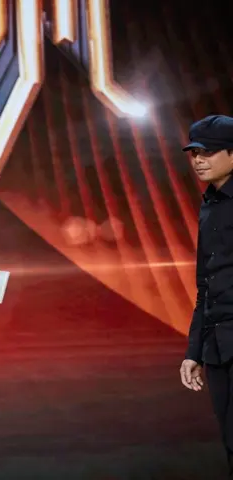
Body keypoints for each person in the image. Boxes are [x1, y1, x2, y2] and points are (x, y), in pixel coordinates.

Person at [179, 114, 233, 476]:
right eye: (195, 152)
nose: (198, 160)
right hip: (218, 345)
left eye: (208, 152)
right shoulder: (210, 205)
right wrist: (194, 351)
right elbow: (206, 284)